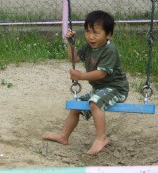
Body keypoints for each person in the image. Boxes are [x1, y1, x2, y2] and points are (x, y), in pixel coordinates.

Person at [43, 10, 129, 155]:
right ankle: (64, 136)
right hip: (100, 89)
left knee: (94, 103)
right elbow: (74, 58)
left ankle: (101, 138)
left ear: (108, 34)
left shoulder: (109, 50)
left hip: (116, 88)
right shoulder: (89, 47)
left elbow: (102, 73)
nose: (91, 36)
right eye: (88, 32)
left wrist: (81, 76)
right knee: (76, 106)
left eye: (96, 33)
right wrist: (70, 43)